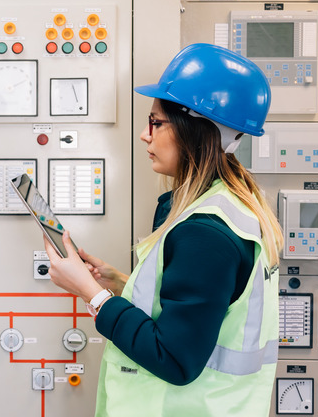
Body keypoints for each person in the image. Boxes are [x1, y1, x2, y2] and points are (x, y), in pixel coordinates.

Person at [44, 43, 284, 417]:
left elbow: (175, 359)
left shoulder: (206, 232)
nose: (144, 134)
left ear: (196, 129)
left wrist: (89, 293)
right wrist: (117, 282)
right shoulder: (229, 205)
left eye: (156, 122)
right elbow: (196, 310)